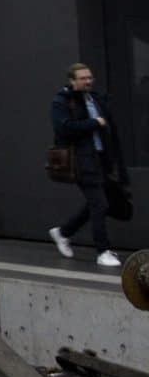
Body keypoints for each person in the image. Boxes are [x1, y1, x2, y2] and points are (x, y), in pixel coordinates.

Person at [49, 62, 128, 268]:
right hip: (82, 161)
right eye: (83, 78)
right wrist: (94, 123)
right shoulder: (62, 101)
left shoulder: (94, 98)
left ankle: (63, 232)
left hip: (100, 160)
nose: (88, 81)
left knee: (99, 203)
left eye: (89, 77)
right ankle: (102, 252)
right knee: (100, 204)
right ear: (72, 81)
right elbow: (63, 128)